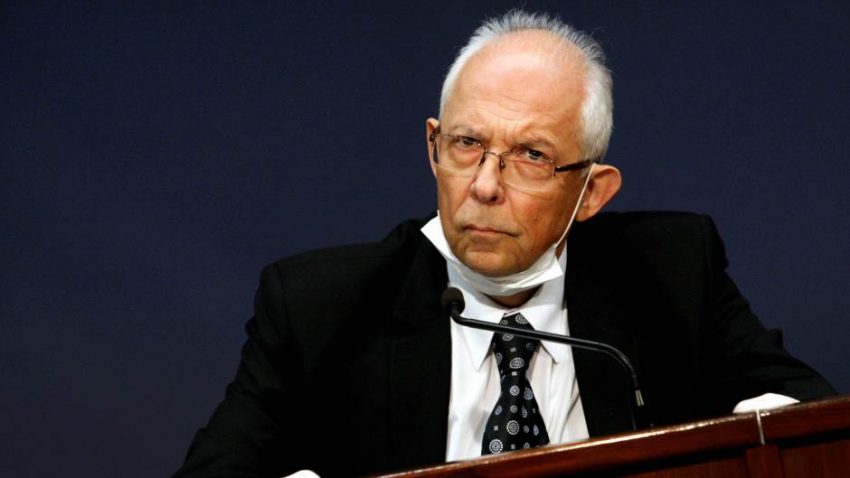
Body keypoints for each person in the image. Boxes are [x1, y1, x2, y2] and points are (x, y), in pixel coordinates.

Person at [173, 10, 834, 478]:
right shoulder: (319, 309)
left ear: (592, 191)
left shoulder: (671, 271)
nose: (485, 186)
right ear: (433, 146)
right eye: (467, 144)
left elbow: (809, 420)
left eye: (531, 156)